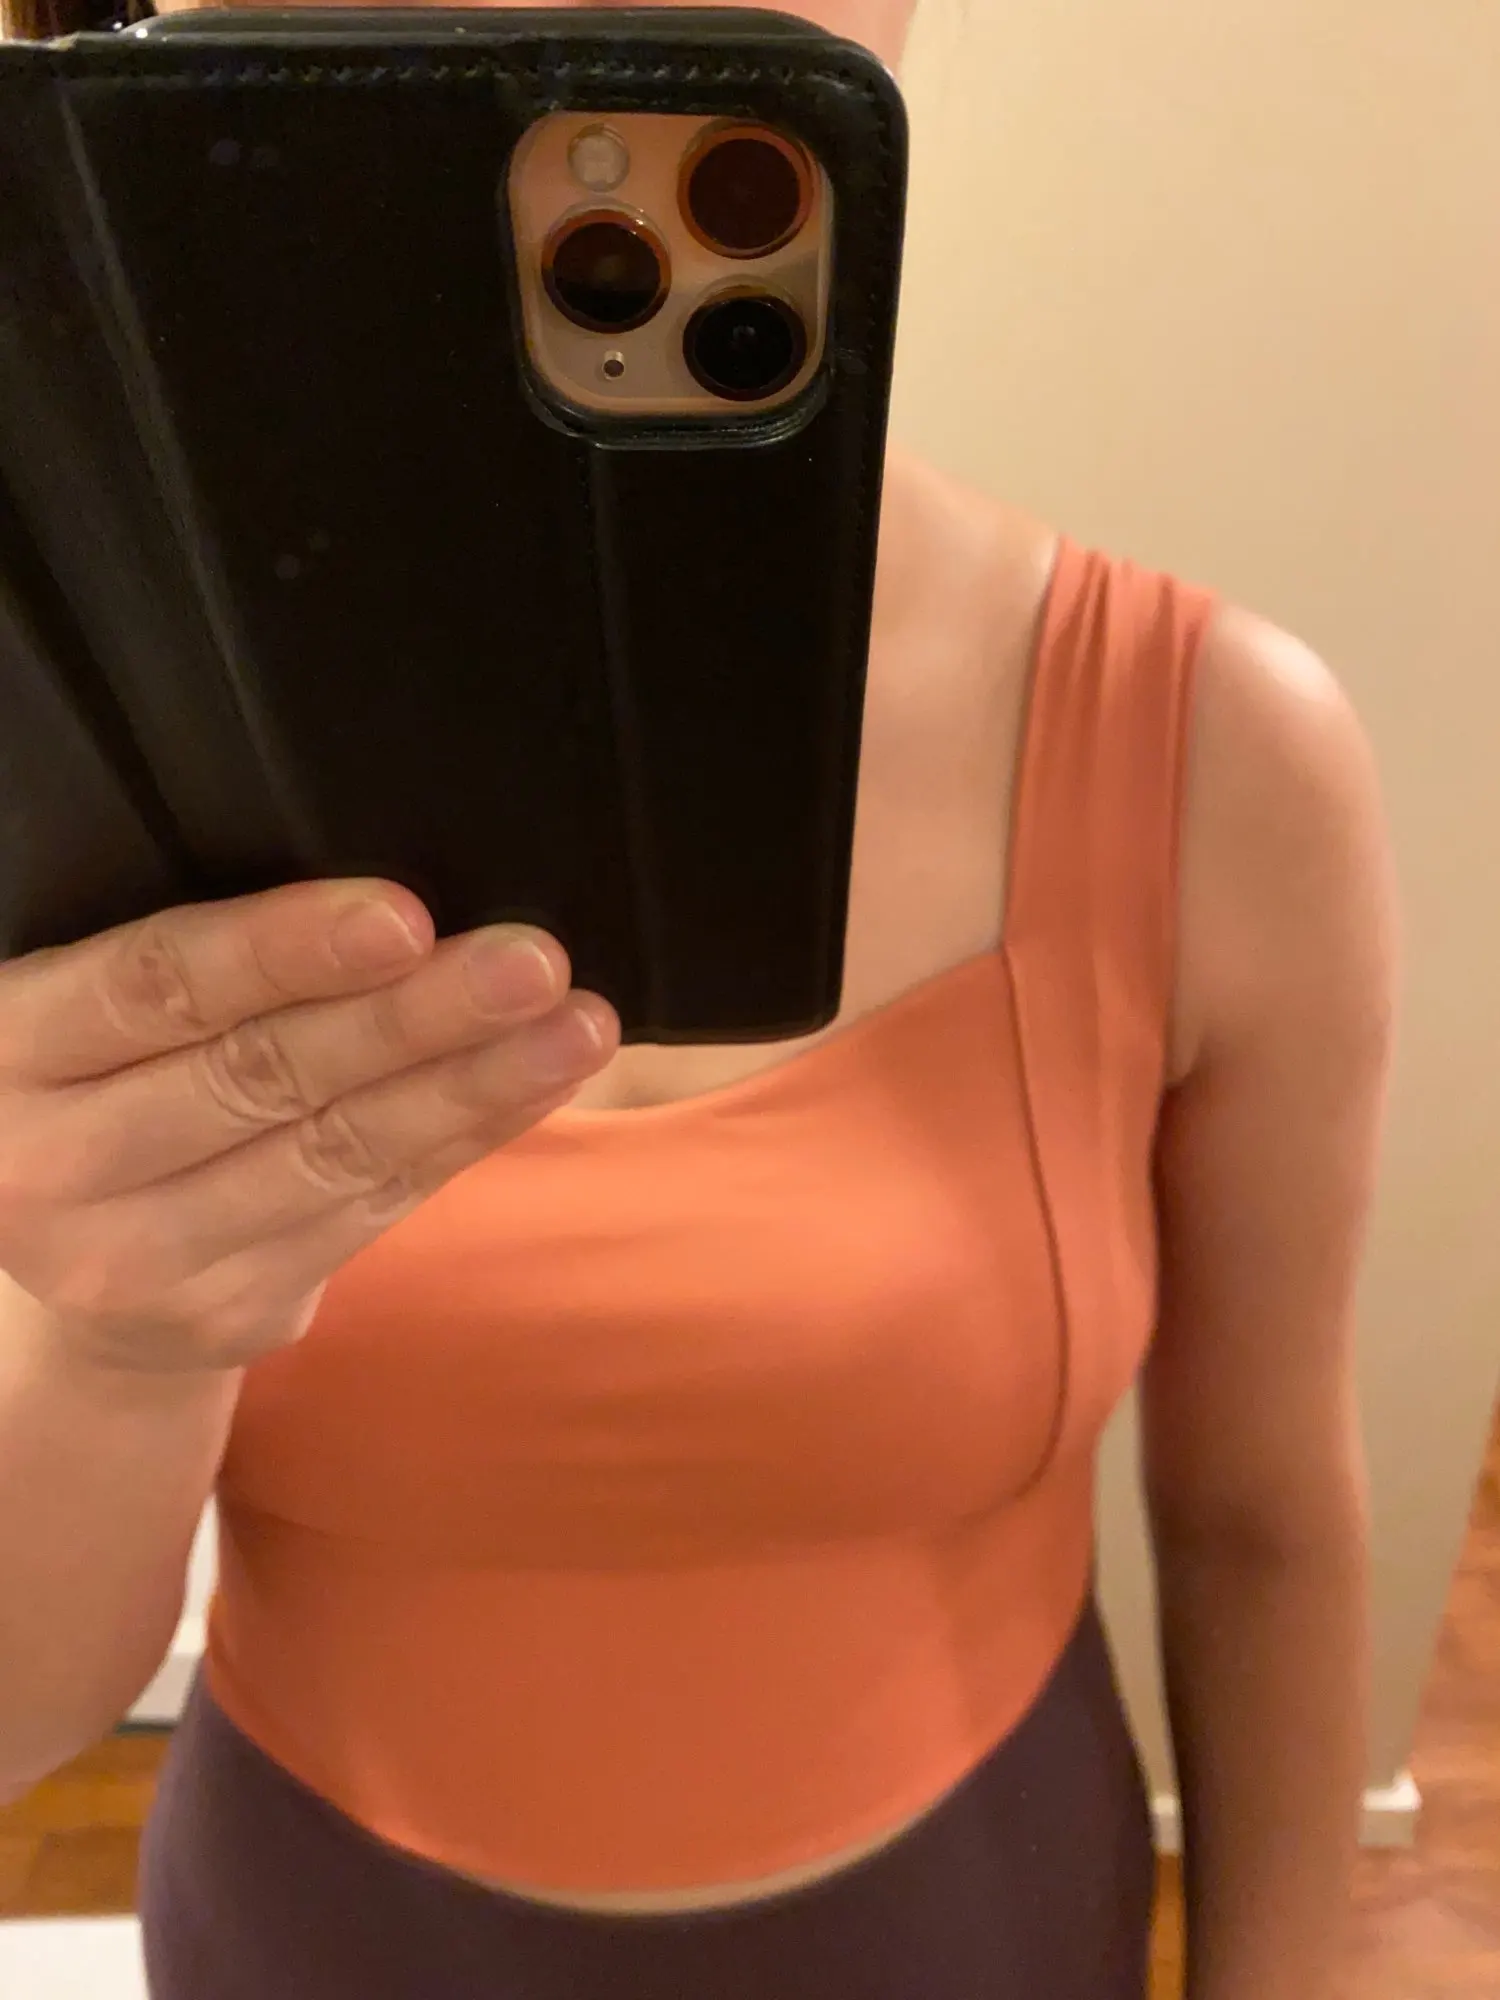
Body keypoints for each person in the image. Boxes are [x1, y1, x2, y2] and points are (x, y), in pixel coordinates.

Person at [0, 2, 1398, 1996]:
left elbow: (1263, 1514)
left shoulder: (1213, 753)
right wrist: (121, 1345)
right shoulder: (95, 735)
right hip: (315, 1935)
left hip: (972, 1933)